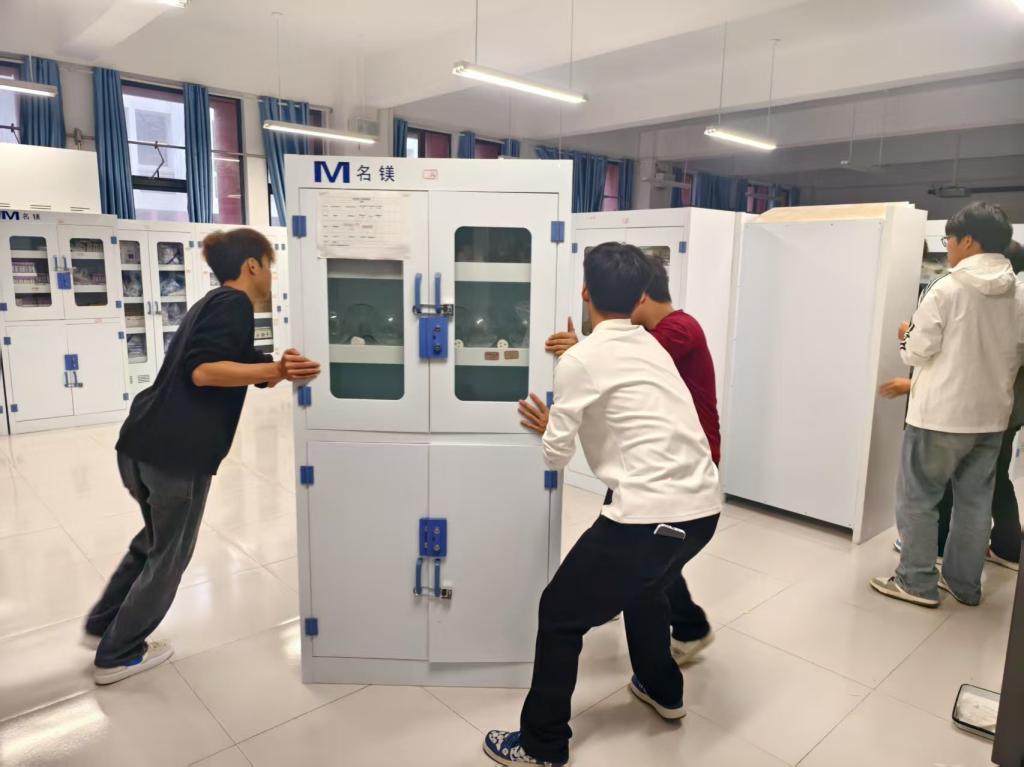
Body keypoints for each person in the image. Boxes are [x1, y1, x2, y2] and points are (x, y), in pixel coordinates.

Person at [483, 243, 722, 766]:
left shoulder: (580, 359)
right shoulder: (654, 347)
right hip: (704, 509)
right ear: (639, 299)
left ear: (585, 292)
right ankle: (664, 689)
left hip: (647, 515)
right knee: (648, 588)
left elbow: (556, 457)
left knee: (559, 613)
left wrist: (552, 427)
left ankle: (542, 744)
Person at [83, 228, 321, 685]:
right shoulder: (235, 304)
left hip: (141, 443)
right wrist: (274, 368)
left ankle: (103, 623)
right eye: (269, 267)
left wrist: (273, 369)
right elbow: (205, 371)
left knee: (154, 540)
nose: (271, 278)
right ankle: (119, 653)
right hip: (175, 453)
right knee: (170, 555)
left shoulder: (211, 302)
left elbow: (234, 359)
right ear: (252, 265)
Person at [545, 251, 719, 663]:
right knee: (649, 567)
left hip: (672, 461)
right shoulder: (651, 337)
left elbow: (615, 363)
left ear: (640, 297)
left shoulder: (675, 331)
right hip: (662, 461)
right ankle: (662, 654)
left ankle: (687, 627)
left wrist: (580, 352)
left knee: (646, 559)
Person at [871, 203, 1023, 608]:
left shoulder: (946, 288)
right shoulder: (1019, 292)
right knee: (974, 504)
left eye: (948, 241)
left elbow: (916, 352)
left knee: (919, 499)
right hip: (992, 418)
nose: (948, 248)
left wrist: (905, 334)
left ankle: (916, 581)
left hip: (939, 414)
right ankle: (964, 584)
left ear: (968, 241)